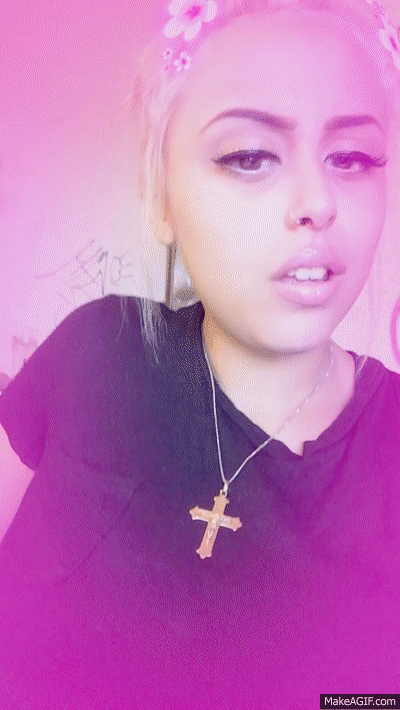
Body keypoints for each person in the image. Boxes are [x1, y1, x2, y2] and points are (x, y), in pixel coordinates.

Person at [1, 0, 400, 707]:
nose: (318, 201)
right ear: (161, 196)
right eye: (249, 156)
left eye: (352, 158)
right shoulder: (93, 350)